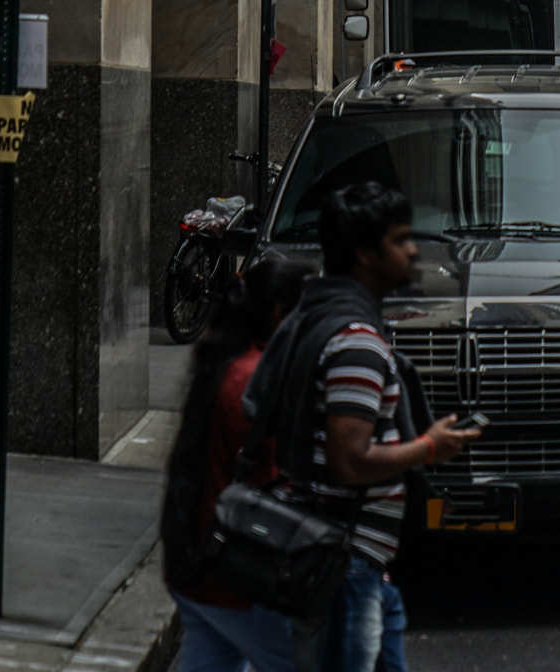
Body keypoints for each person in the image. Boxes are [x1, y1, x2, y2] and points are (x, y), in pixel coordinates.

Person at [245, 182, 478, 672]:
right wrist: (428, 449)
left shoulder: (312, 316)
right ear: (364, 256)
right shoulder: (356, 342)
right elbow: (349, 462)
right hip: (343, 564)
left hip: (354, 558)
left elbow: (260, 406)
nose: (413, 249)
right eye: (399, 240)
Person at [160, 252, 310, 672]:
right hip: (240, 572)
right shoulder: (255, 378)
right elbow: (277, 478)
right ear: (282, 314)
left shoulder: (230, 363)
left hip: (200, 565)